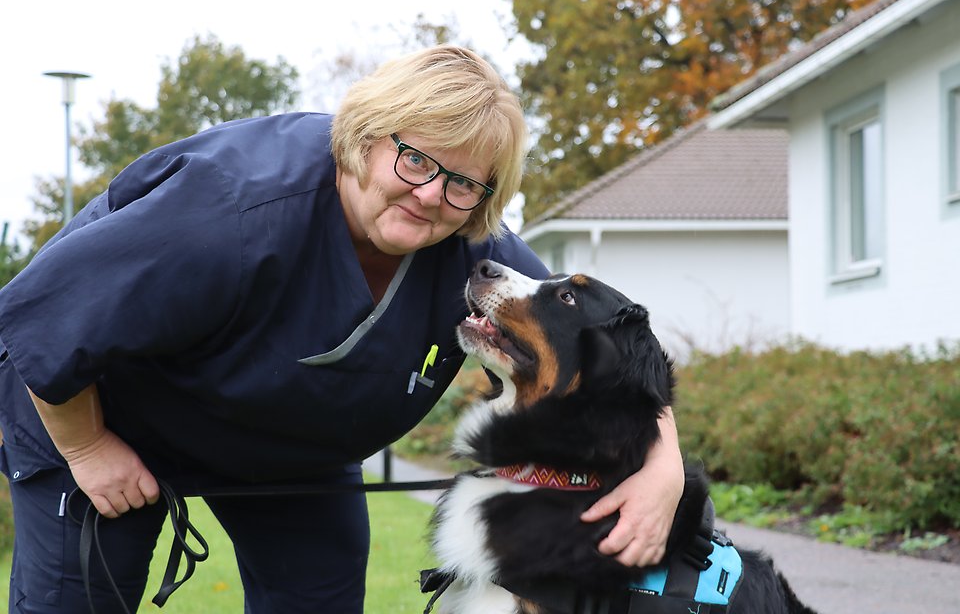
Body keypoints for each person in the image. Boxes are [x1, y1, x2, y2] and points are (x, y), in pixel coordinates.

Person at [0, 45, 684, 613]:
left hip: (291, 451)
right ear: (366, 134)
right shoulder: (230, 207)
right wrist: (87, 449)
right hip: (99, 413)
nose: (430, 195)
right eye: (414, 159)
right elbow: (50, 322)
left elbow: (613, 355)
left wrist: (665, 468)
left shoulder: (474, 249)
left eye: (464, 183)